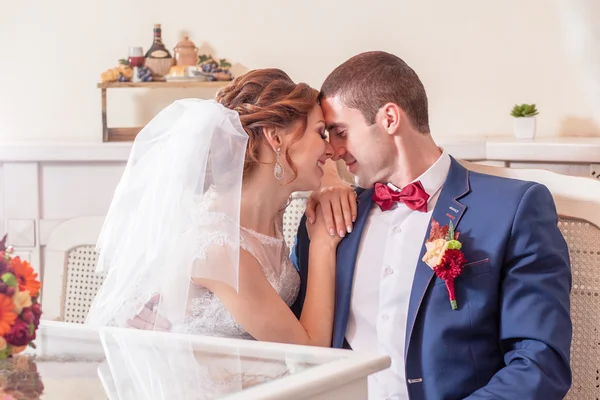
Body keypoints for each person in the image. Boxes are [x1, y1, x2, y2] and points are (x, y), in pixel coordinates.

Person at [291, 51, 573, 399]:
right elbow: (293, 350)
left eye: (340, 132)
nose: (332, 150)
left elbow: (540, 364)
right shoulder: (330, 219)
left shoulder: (513, 209)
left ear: (389, 118)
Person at [86, 68, 345, 347]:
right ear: (276, 138)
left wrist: (332, 181)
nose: (331, 150)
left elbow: (324, 162)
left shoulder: (269, 211)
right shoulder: (220, 248)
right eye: (322, 134)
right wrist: (323, 245)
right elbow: (311, 350)